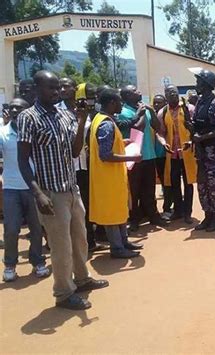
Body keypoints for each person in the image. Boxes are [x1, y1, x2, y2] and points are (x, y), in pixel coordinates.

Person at [17, 70, 108, 310]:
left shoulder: (64, 115)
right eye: (51, 88)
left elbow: (76, 151)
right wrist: (37, 192)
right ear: (37, 89)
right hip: (50, 193)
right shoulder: (29, 118)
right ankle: (64, 292)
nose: (57, 92)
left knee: (80, 240)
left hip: (71, 188)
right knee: (61, 247)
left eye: (58, 88)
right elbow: (23, 160)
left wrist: (80, 120)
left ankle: (82, 279)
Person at [89, 89, 143, 258]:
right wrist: (131, 156)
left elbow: (107, 145)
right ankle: (117, 248)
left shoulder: (100, 119)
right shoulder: (106, 124)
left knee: (119, 208)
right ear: (112, 103)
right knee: (112, 212)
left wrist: (123, 142)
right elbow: (105, 155)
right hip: (108, 177)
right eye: (119, 102)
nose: (122, 105)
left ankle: (124, 241)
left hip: (111, 176)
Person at [1, 98, 50, 282]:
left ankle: (38, 261)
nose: (14, 110)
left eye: (19, 107)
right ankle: (10, 265)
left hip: (34, 187)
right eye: (11, 107)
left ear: (26, 110)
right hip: (11, 188)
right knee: (11, 229)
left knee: (36, 228)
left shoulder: (35, 131)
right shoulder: (3, 133)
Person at [116, 85, 166, 232]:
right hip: (133, 158)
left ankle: (154, 216)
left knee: (149, 189)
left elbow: (158, 127)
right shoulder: (123, 112)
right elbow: (139, 127)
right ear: (127, 96)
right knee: (134, 190)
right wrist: (142, 113)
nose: (139, 92)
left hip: (149, 156)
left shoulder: (144, 109)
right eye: (134, 91)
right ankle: (134, 219)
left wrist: (150, 111)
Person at [57, 79, 99, 251]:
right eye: (60, 86)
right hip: (68, 166)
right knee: (70, 207)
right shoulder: (57, 111)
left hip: (86, 165)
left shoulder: (85, 110)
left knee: (87, 205)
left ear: (75, 89)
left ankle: (90, 241)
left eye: (66, 86)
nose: (63, 89)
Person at [189, 68, 215, 232]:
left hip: (212, 154)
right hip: (200, 153)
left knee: (214, 186)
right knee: (202, 185)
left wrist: (203, 138)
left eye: (199, 82)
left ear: (206, 85)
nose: (196, 84)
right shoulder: (200, 102)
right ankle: (207, 216)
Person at [157, 85, 197, 224]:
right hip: (172, 153)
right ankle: (178, 211)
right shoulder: (163, 112)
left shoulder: (188, 109)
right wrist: (163, 143)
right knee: (174, 183)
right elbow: (160, 132)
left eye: (174, 92)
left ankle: (188, 213)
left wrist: (191, 141)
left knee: (188, 183)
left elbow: (195, 129)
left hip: (186, 152)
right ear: (165, 95)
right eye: (169, 93)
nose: (172, 94)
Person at [153, 94, 173, 217]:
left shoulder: (166, 114)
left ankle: (167, 207)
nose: (156, 105)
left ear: (165, 103)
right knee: (161, 181)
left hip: (165, 154)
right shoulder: (152, 115)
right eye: (154, 102)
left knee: (168, 182)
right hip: (155, 155)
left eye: (159, 102)